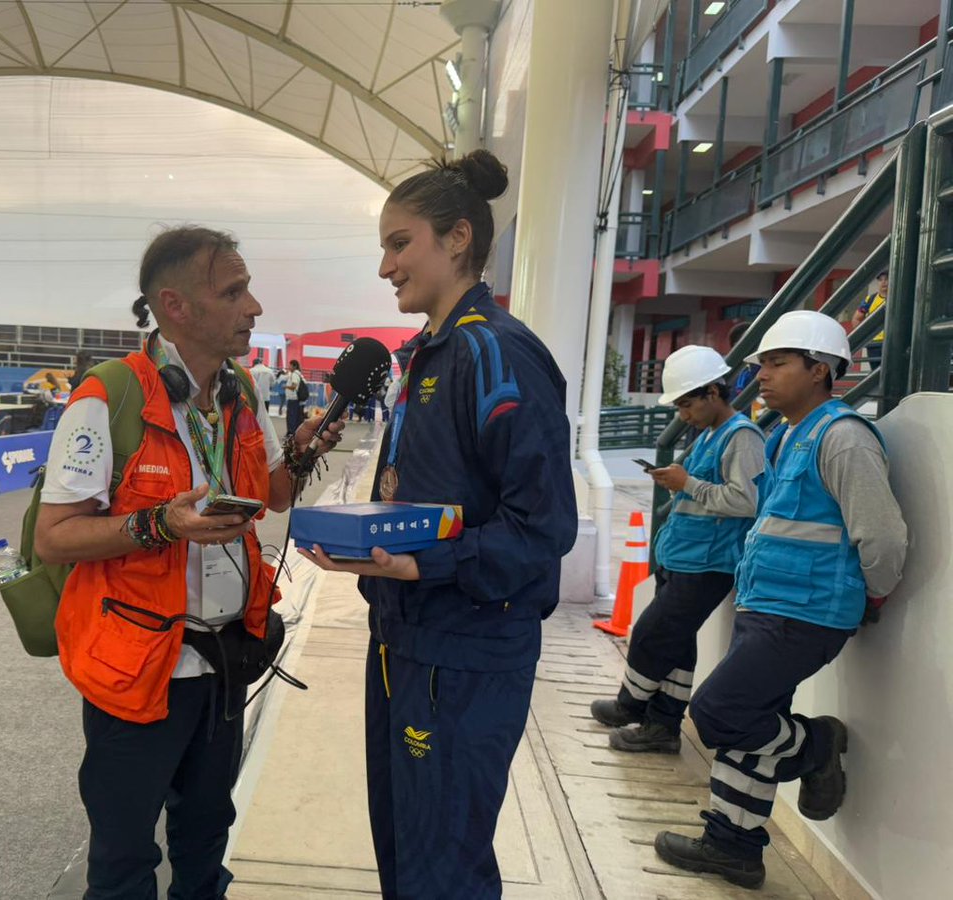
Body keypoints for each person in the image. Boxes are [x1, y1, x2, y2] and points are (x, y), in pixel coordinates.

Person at [34, 226, 343, 899]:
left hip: (225, 664)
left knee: (206, 843)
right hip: (139, 671)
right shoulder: (107, 398)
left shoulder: (237, 394)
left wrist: (299, 451)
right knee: (123, 864)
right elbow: (54, 538)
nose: (254, 307)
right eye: (234, 292)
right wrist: (157, 525)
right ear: (175, 306)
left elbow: (268, 495)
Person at [301, 151, 578, 899]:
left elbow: (543, 526)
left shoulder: (497, 353)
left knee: (442, 873)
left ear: (457, 239)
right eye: (384, 246)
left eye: (400, 243)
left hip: (464, 650)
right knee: (405, 858)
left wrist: (427, 565)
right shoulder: (431, 354)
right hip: (402, 639)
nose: (386, 266)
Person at [654, 310, 908, 890]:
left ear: (820, 370)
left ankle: (816, 745)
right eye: (760, 365)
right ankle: (733, 847)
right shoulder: (789, 434)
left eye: (777, 363)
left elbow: (884, 535)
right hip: (769, 604)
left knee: (718, 713)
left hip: (807, 613)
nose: (761, 376)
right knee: (752, 726)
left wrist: (872, 593)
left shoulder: (843, 438)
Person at [591, 345, 764, 754]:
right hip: (685, 556)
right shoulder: (710, 435)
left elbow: (747, 500)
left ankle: (630, 704)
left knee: (652, 633)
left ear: (713, 393)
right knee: (677, 643)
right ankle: (663, 725)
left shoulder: (742, 437)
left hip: (709, 564)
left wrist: (686, 484)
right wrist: (677, 482)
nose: (683, 415)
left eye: (688, 404)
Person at [850, 269, 887, 371]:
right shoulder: (870, 299)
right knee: (874, 374)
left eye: (887, 279)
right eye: (880, 280)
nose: (884, 282)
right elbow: (856, 319)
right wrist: (865, 337)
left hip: (891, 343)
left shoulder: (898, 298)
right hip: (874, 345)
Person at [284, 359, 304, 435]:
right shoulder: (297, 374)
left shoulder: (295, 375)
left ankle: (291, 433)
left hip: (293, 398)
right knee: (295, 416)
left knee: (291, 417)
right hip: (294, 399)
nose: (289, 367)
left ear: (294, 366)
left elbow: (294, 386)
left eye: (290, 365)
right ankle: (293, 432)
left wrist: (285, 386)